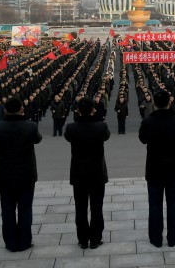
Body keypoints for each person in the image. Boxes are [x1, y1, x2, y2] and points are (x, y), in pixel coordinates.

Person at [138, 90, 175, 247]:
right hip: (174, 168)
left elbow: (142, 139)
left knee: (155, 204)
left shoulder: (147, 122)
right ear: (169, 102)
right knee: (174, 203)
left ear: (154, 103)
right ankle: (173, 238)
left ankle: (156, 238)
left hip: (154, 169)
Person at [0, 96, 43, 252]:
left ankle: (10, 243)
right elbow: (38, 139)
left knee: (7, 210)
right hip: (26, 174)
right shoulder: (31, 126)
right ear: (22, 109)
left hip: (5, 174)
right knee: (25, 209)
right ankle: (25, 241)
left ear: (5, 110)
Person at [64, 97, 111, 249]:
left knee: (80, 208)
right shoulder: (101, 127)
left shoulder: (71, 128)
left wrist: (80, 117)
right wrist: (94, 118)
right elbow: (106, 135)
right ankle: (96, 239)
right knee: (97, 207)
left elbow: (69, 137)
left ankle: (83, 239)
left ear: (77, 110)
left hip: (79, 174)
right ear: (93, 110)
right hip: (97, 173)